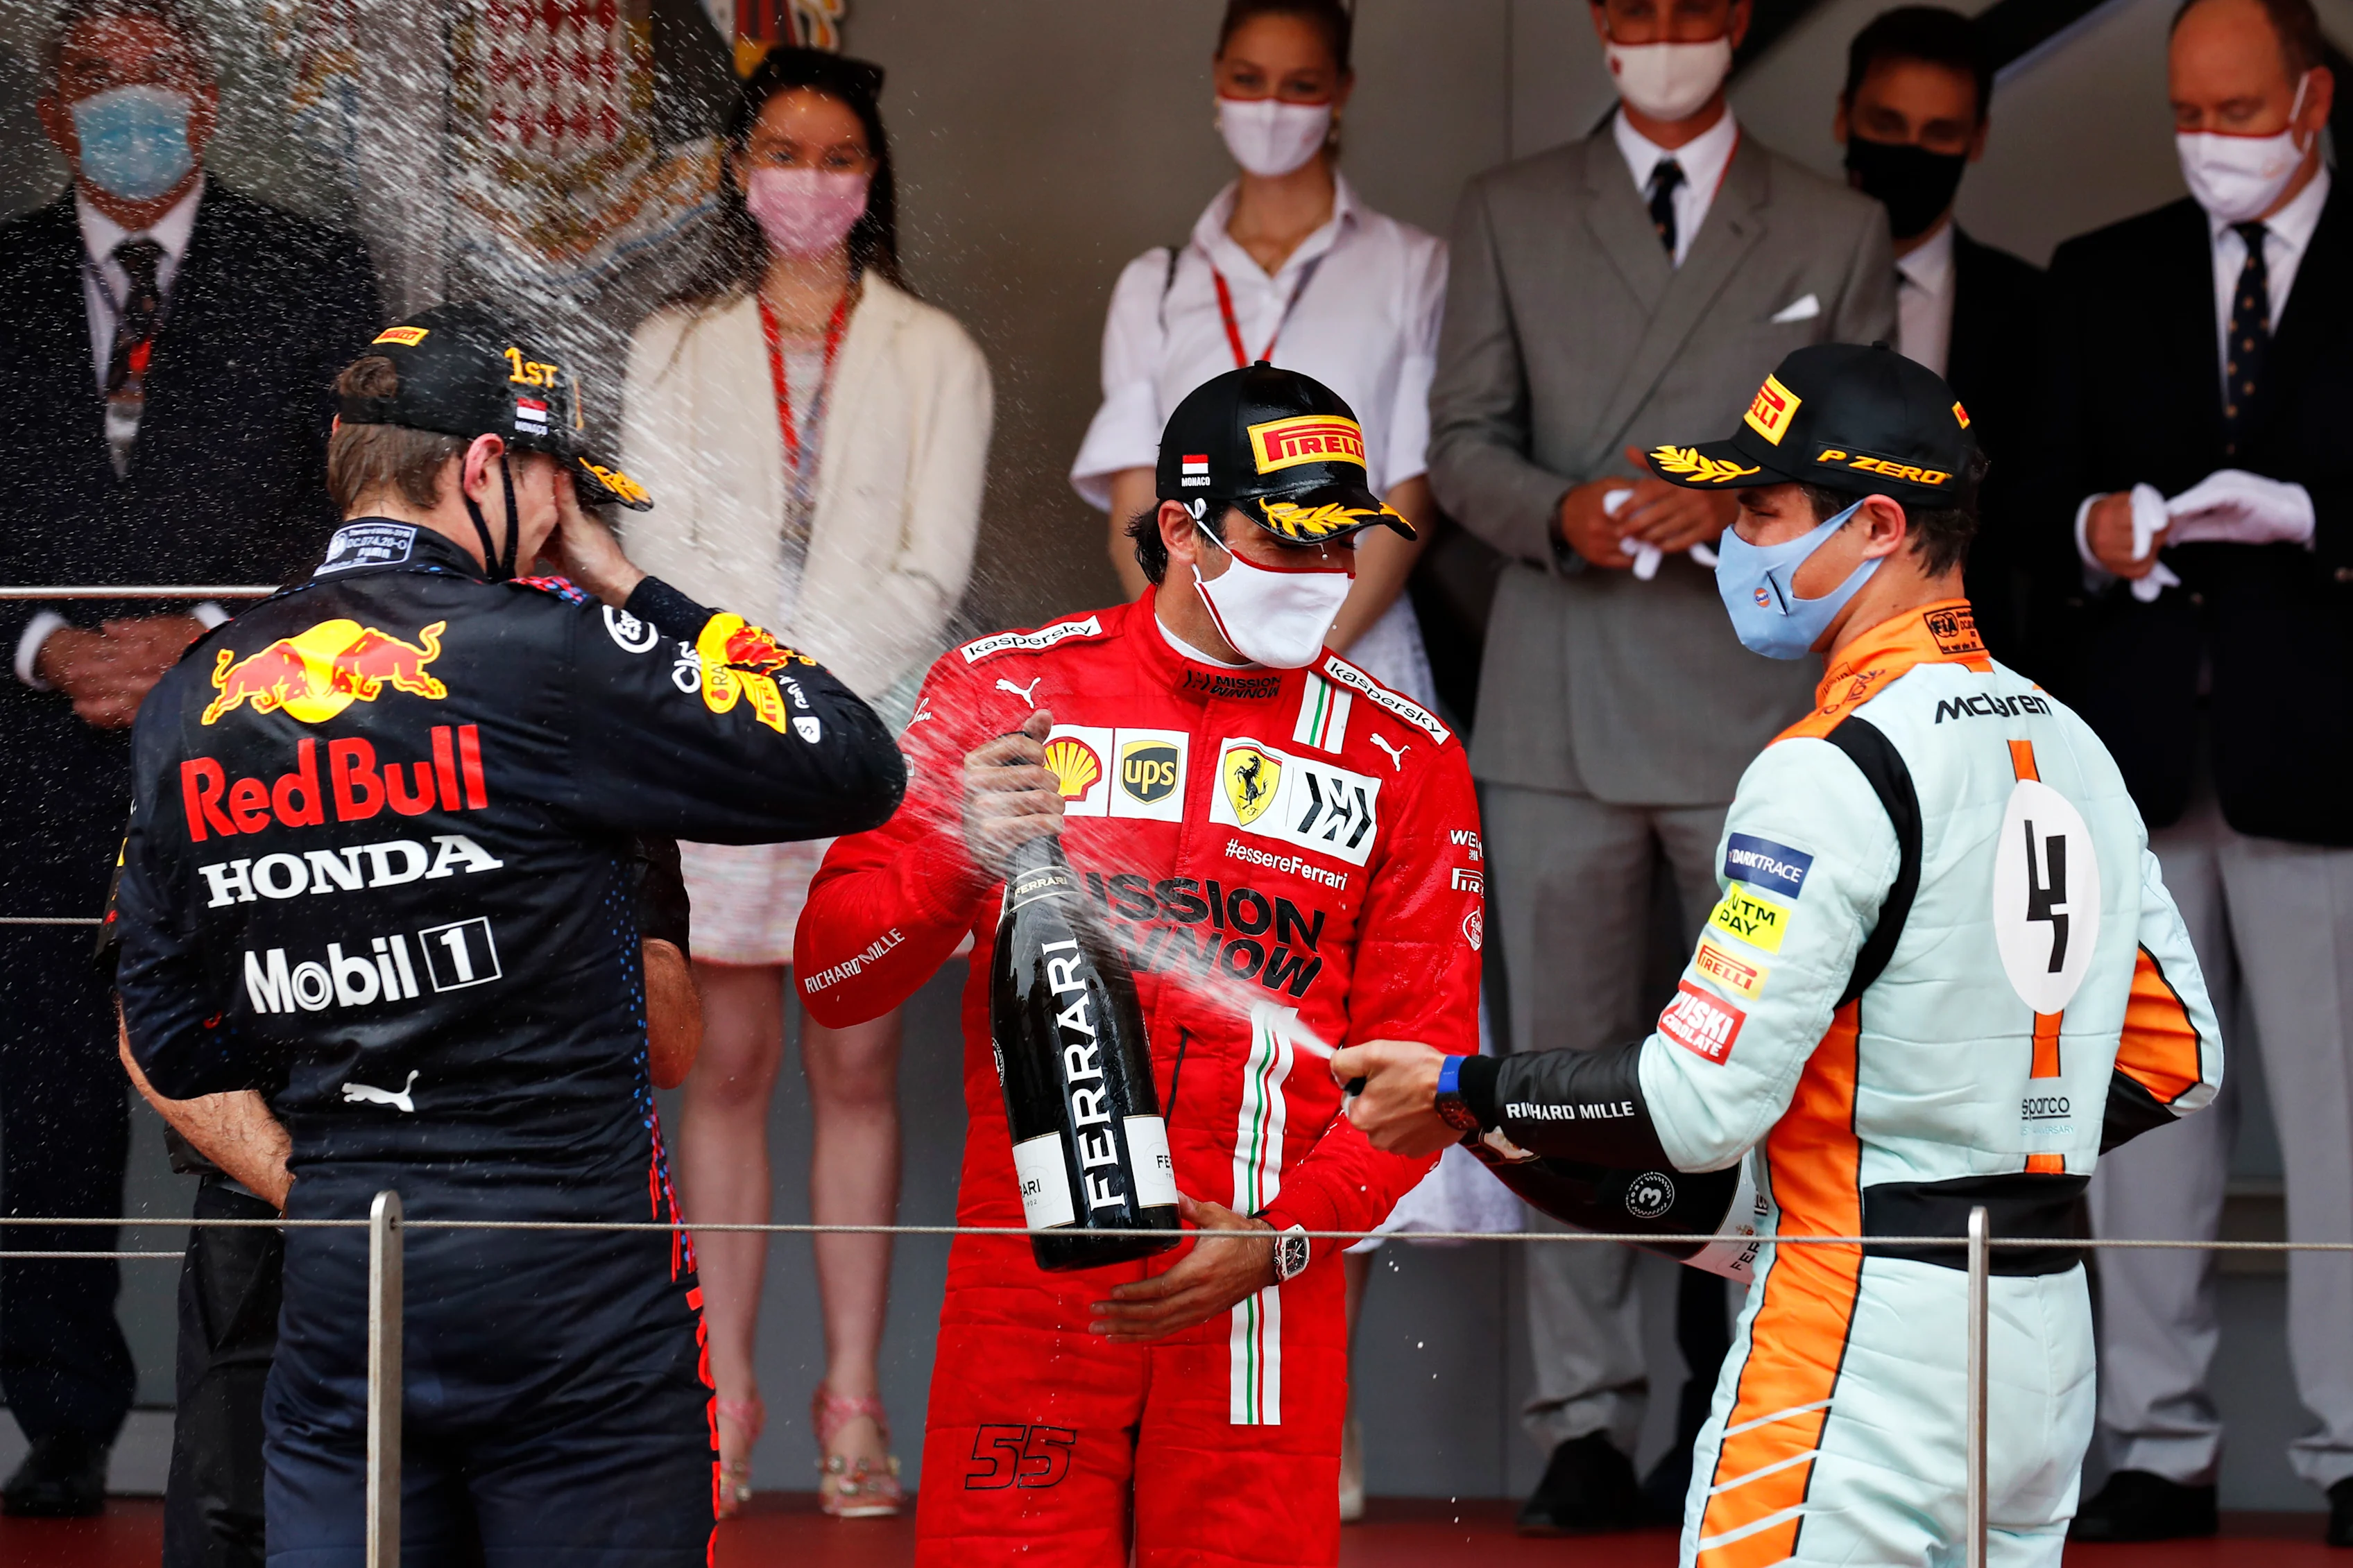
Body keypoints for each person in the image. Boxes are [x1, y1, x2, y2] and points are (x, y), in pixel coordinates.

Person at [1342, 341, 2225, 1567]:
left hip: (1855, 1332)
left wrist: (1460, 1089)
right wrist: (1971, 1140)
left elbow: (1694, 1106)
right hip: (2040, 1344)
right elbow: (2180, 1057)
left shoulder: (1825, 766)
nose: (1732, 539)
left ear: (1877, 526)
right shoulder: (2071, 740)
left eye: (1761, 509)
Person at [110, 302, 907, 1567]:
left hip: (342, 1268)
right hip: (571, 1274)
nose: (560, 522)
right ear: (484, 467)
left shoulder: (193, 694)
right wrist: (628, 582)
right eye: (556, 490)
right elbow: (851, 759)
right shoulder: (552, 651)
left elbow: (172, 1034)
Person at [795, 362, 1482, 1568]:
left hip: (1262, 1291)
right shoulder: (1006, 689)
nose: (1328, 571)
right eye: (1291, 539)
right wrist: (953, 860)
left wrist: (1284, 1236)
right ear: (1180, 529)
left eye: (1345, 541)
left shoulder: (1404, 755)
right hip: (1033, 1281)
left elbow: (1427, 1078)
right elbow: (834, 977)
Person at [1425, 0, 1897, 1530]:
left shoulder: (1832, 224)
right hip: (1555, 696)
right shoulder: (1507, 208)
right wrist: (1559, 514)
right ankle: (1580, 1415)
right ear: (1598, 25)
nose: (1663, 35)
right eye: (1636, 9)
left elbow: (1863, 459)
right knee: (1557, 1068)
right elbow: (1460, 440)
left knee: (1766, 1069)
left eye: (1692, 9)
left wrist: (1742, 499)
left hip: (1751, 712)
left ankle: (1754, 1391)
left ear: (1737, 20)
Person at [1066, 0, 1508, 1516]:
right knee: (1186, 1020)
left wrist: (1298, 630)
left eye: (1300, 82)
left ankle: (1316, 1402)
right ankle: (1163, 1388)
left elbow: (1409, 493)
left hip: (1349, 660)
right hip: (1180, 683)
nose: (1271, 104)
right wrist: (1193, 634)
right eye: (1247, 80)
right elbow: (1136, 499)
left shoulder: (1410, 264)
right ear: (1214, 86)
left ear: (1343, 91)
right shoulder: (1157, 278)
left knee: (1343, 1035)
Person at [0, 0, 381, 1516]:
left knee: (256, 1067)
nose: (130, 101)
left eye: (157, 74)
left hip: (250, 749)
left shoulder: (313, 269)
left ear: (208, 100)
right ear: (51, 111)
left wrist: (209, 633)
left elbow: (362, 506)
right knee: (43, 1098)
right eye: (96, 79)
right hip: (35, 755)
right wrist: (43, 643)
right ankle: (63, 1414)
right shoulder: (4, 277)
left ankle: (268, 1412)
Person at [619, 43, 991, 1517]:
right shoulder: (670, 344)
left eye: (838, 159)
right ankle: (722, 1395)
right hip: (713, 740)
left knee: (854, 1069)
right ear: (737, 168)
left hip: (866, 747)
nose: (809, 182)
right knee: (721, 1068)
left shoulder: (936, 351)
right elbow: (650, 549)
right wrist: (750, 685)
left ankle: (852, 1399)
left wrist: (811, 691)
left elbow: (931, 569)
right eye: (783, 153)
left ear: (872, 176)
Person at [2037, 0, 2353, 1544]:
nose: (2207, 140)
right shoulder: (2101, 271)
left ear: (2311, 100)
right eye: (2186, 111)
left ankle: (2350, 1443)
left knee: (2342, 1123)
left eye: (2236, 110)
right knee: (2143, 1121)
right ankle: (2157, 1446)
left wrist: (2316, 516)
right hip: (2145, 754)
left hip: (2326, 751)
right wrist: (2092, 532)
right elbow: (2027, 493)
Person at [112, 837, 703, 1568]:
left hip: (531, 1238)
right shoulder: (219, 761)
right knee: (240, 1536)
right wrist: (316, 1196)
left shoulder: (575, 767)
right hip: (277, 1227)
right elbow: (146, 1021)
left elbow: (670, 1045)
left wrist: (549, 878)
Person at [1835, 6, 2046, 668]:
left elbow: (2033, 515)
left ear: (1976, 139)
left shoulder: (2032, 308)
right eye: (1887, 125)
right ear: (1844, 117)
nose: (1911, 153)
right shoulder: (1763, 276)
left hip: (1958, 667)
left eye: (1940, 133)